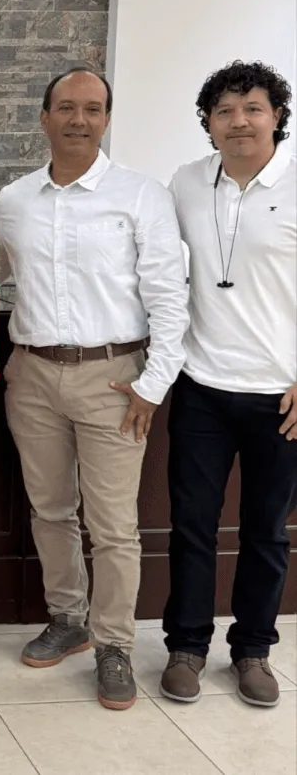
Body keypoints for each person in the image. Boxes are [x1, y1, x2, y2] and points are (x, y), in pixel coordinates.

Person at [0, 67, 189, 710]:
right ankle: (67, 619)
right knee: (50, 510)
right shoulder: (14, 200)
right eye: (67, 107)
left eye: (93, 109)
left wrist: (151, 386)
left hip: (115, 379)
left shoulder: (141, 196)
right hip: (32, 375)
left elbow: (169, 297)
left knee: (113, 526)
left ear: (107, 118)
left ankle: (114, 646)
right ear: (44, 117)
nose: (80, 119)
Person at [159, 61, 297, 708]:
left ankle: (253, 651)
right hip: (202, 386)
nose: (239, 121)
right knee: (191, 526)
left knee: (266, 530)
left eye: (253, 108)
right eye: (225, 111)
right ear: (209, 124)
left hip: (281, 394)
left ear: (277, 116)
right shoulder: (187, 182)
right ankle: (186, 647)